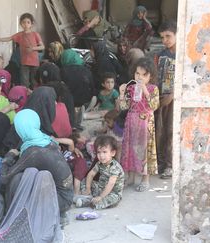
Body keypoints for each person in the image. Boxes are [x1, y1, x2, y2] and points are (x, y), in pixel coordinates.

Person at [0, 109, 74, 219]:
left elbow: (4, 178)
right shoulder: (45, 140)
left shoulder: (33, 152)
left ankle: (13, 217)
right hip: (66, 195)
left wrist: (9, 156)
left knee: (17, 179)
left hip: (60, 201)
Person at [118, 57, 160, 192]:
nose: (140, 77)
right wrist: (122, 94)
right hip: (131, 122)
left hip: (145, 124)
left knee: (144, 151)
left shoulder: (153, 89)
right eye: (137, 74)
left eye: (144, 75)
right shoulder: (131, 88)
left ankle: (145, 179)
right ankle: (130, 177)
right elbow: (124, 107)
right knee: (130, 148)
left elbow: (154, 106)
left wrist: (145, 91)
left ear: (150, 76)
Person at [0, 13, 45, 88]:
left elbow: (42, 47)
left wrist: (33, 48)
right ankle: (24, 97)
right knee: (24, 82)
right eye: (23, 22)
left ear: (31, 24)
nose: (26, 24)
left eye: (28, 22)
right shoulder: (19, 35)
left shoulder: (35, 34)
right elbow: (9, 38)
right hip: (24, 62)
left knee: (34, 82)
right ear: (21, 24)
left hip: (35, 62)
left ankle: (35, 96)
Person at [154, 20, 177, 179]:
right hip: (160, 99)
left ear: (177, 34)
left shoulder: (183, 55)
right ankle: (161, 163)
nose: (165, 40)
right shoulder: (160, 55)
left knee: (171, 132)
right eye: (162, 37)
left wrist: (173, 95)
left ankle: (170, 165)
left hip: (175, 101)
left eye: (168, 36)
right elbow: (155, 76)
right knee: (159, 131)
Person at [76, 135, 124, 209]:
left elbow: (110, 184)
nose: (101, 155)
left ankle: (89, 201)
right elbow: (91, 174)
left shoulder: (115, 167)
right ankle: (89, 196)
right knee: (85, 180)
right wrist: (88, 188)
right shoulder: (99, 163)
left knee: (111, 199)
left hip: (112, 192)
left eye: (104, 152)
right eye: (99, 152)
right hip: (101, 187)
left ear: (113, 153)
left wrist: (101, 197)